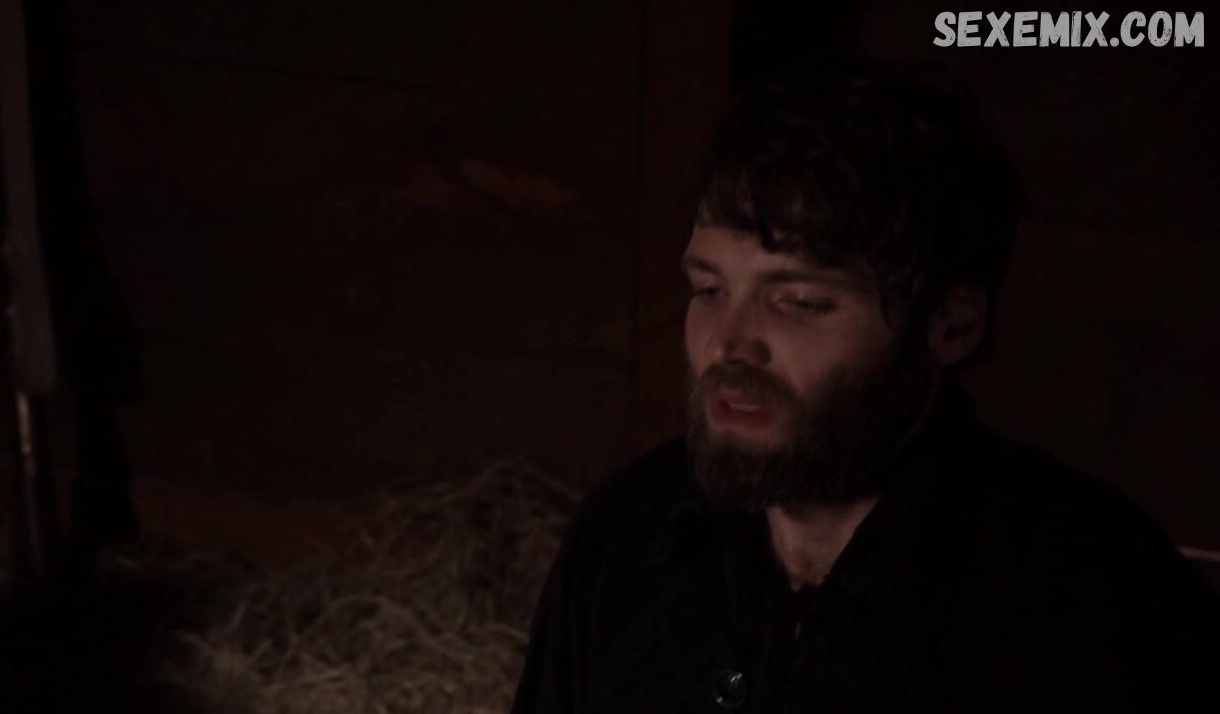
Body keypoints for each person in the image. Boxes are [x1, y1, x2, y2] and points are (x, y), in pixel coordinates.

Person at [510, 63, 1219, 713]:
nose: (727, 343)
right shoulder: (628, 541)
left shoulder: (1094, 607)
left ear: (951, 325)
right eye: (709, 289)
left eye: (800, 302)